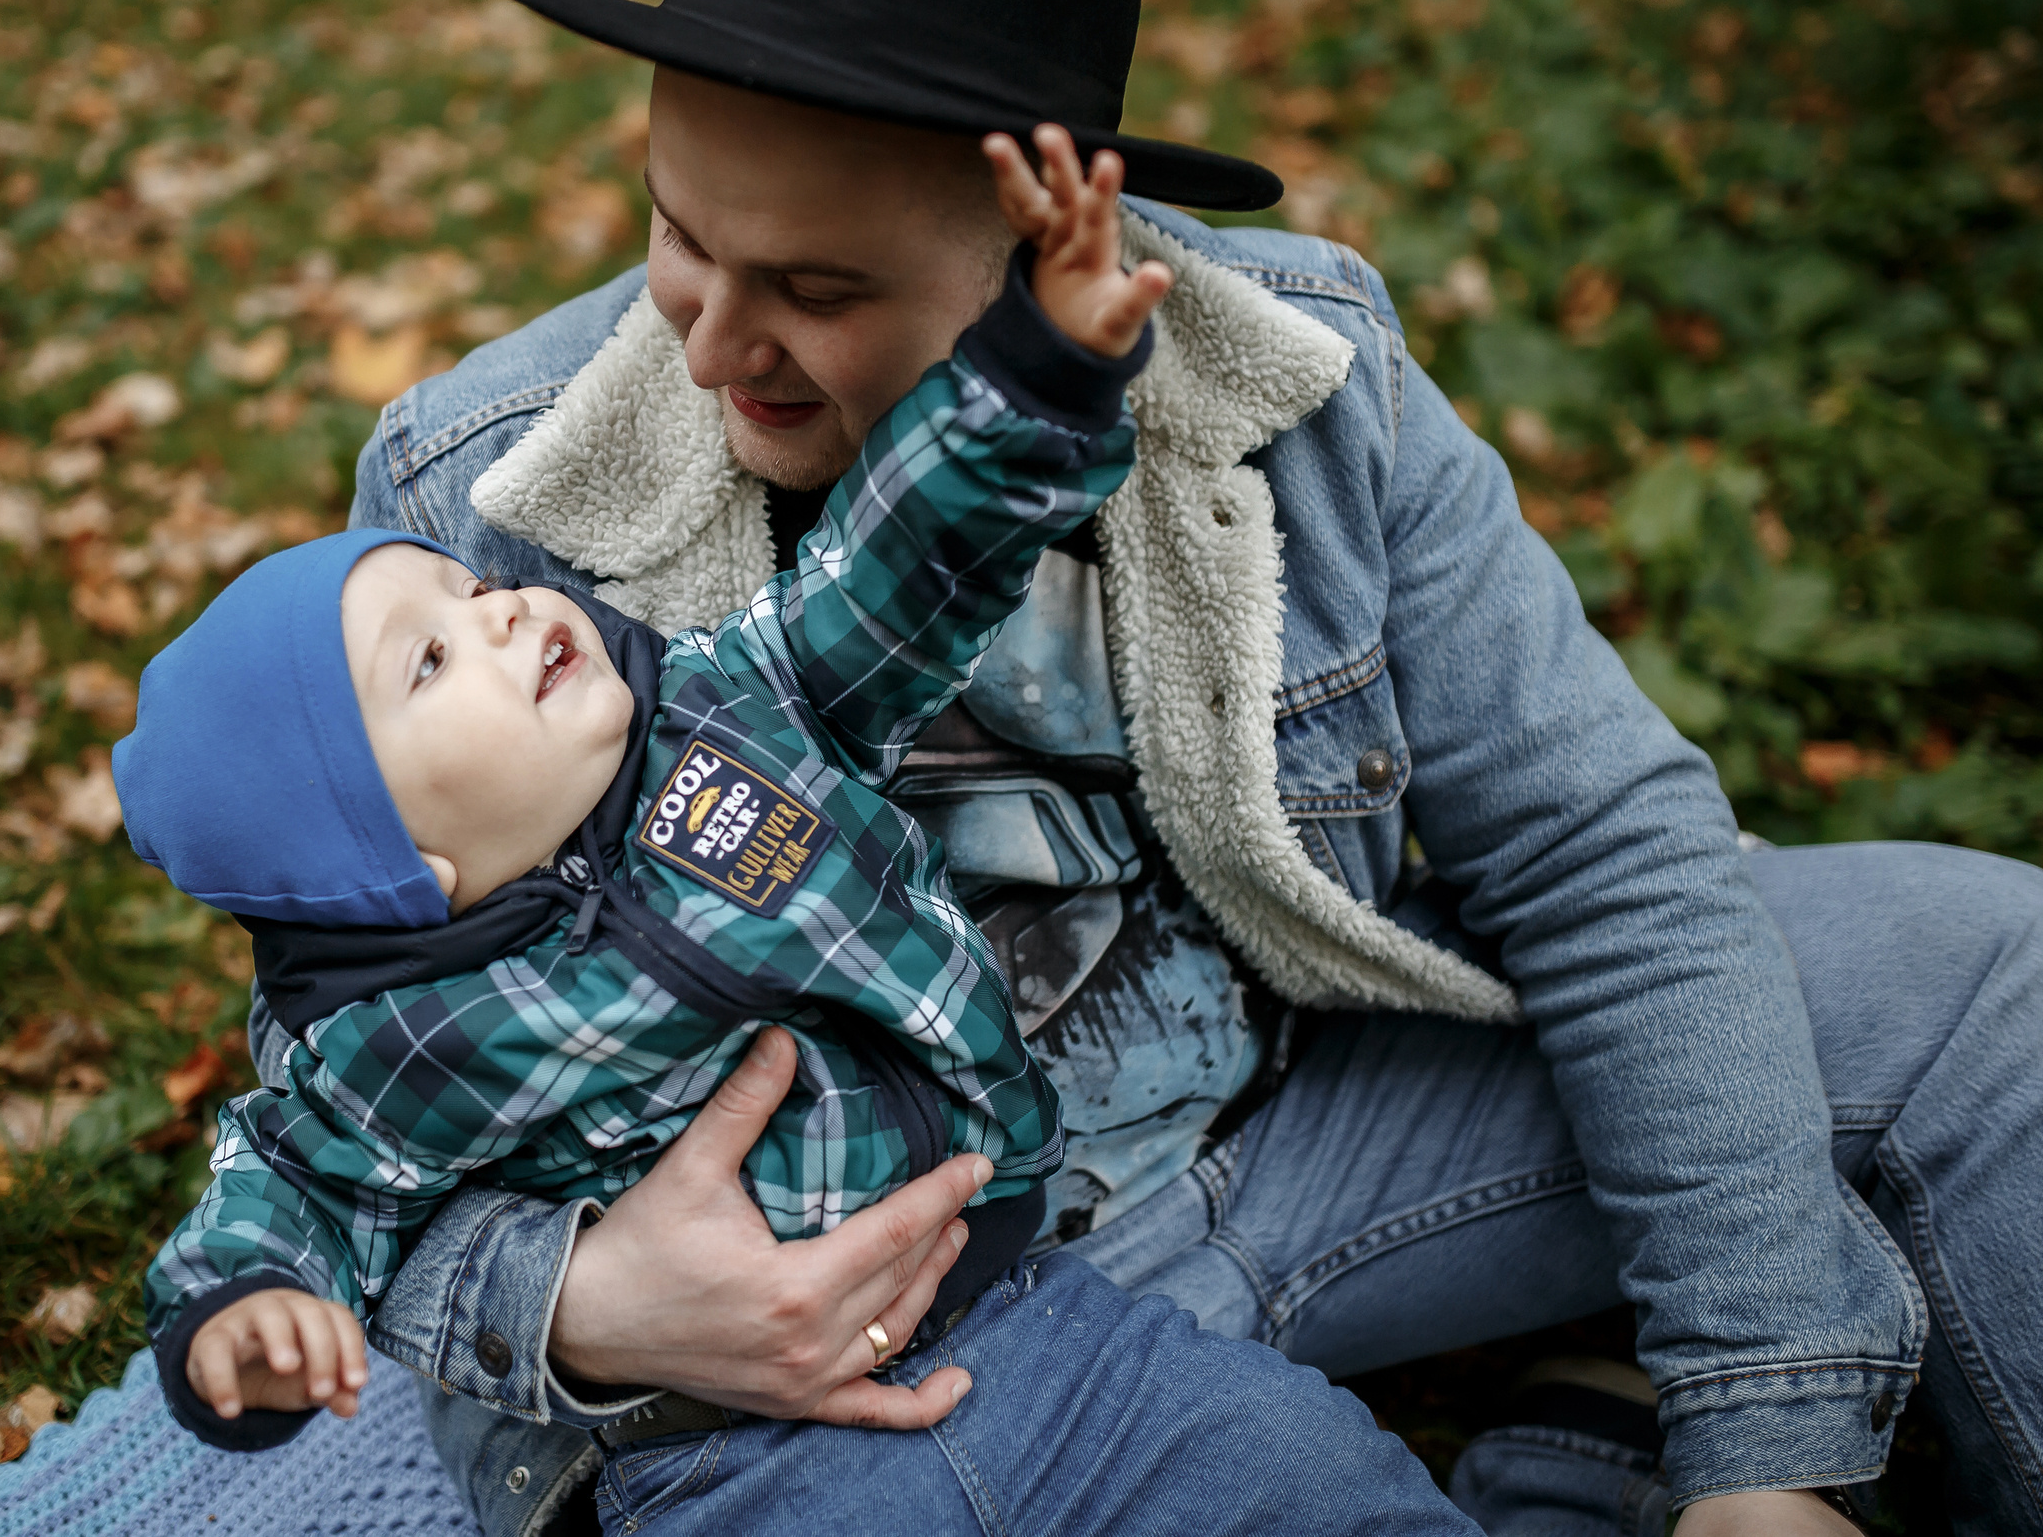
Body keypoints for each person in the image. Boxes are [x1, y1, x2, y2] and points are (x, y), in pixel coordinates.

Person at [314, 0, 2043, 1535]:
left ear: (1050, 228)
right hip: (887, 1333)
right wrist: (586, 1309)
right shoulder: (485, 504)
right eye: (677, 232)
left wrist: (1766, 1440)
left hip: (1310, 1147)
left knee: (1979, 969)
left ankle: (1635, 1451)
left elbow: (1606, 862)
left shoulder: (1306, 377)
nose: (705, 344)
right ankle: (1571, 1461)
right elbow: (339, 1070)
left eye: (817, 289)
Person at [116, 126, 1483, 1537]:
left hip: (1038, 1327)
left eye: (465, 592)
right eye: (429, 661)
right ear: (404, 868)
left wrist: (1038, 374)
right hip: (736, 1460)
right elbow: (289, 1183)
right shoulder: (399, 1038)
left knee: (1314, 1477)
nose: (503, 608)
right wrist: (246, 1309)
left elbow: (899, 560)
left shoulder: (734, 708)